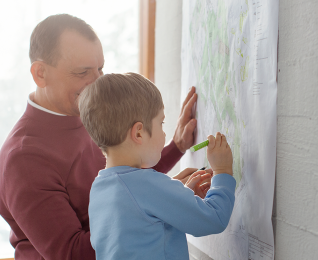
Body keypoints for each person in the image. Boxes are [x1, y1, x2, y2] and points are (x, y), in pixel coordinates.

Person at [0, 14, 202, 260]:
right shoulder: (24, 157)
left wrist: (176, 147)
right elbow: (73, 253)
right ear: (40, 73)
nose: (97, 83)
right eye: (82, 72)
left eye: (100, 68)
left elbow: (125, 173)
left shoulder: (86, 112)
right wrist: (166, 202)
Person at [78, 72, 236, 260]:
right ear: (138, 133)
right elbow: (213, 219)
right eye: (161, 123)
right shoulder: (145, 184)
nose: (164, 134)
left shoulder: (99, 189)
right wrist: (222, 171)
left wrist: (179, 196)